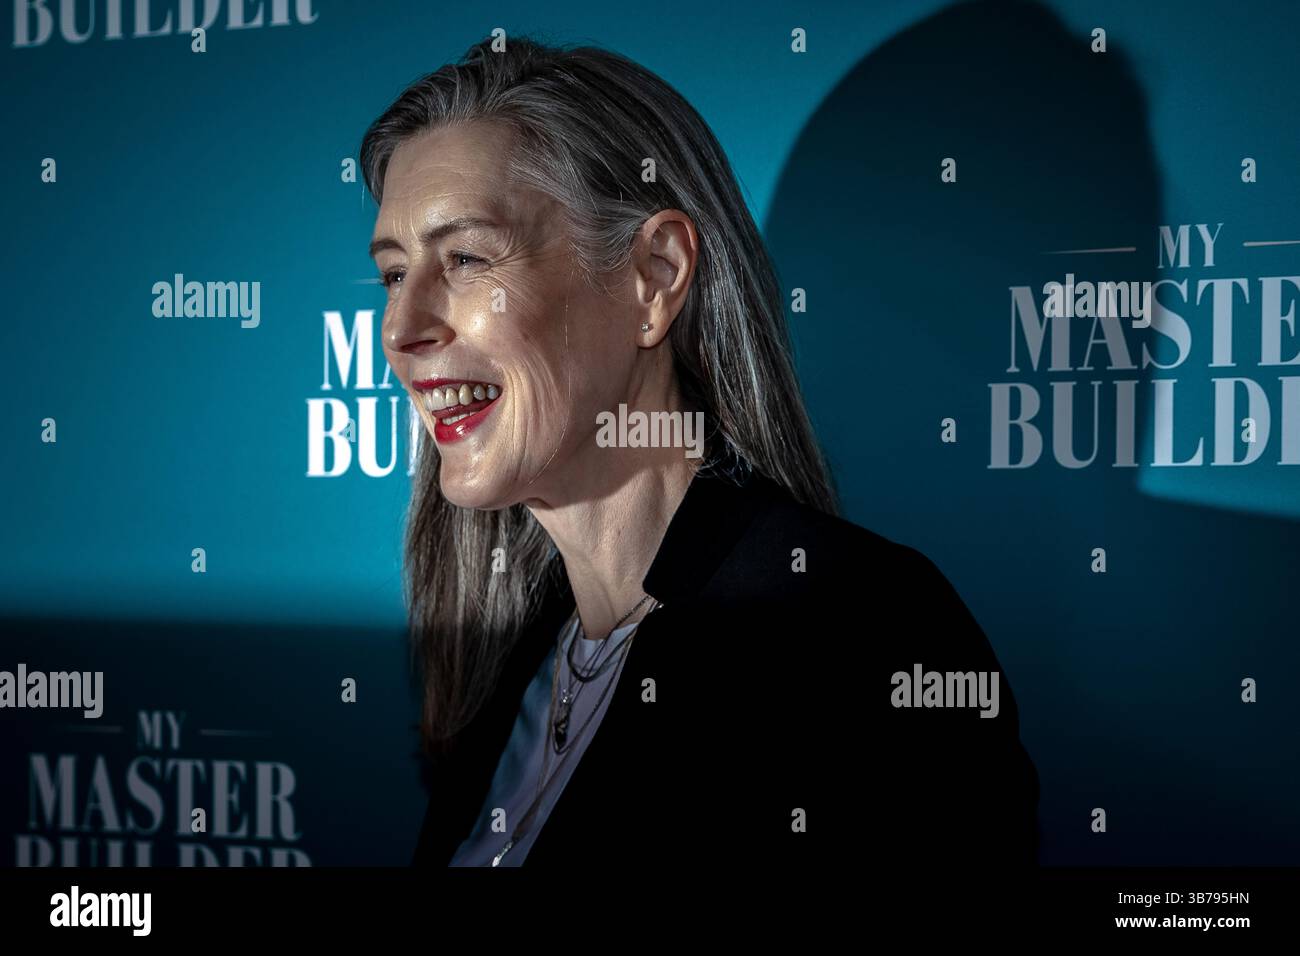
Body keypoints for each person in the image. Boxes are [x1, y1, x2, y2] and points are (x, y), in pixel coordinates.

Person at [359, 35, 1039, 868]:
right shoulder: (513, 659)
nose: (400, 329)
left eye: (465, 258)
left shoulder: (858, 634)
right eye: (393, 274)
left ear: (655, 274)